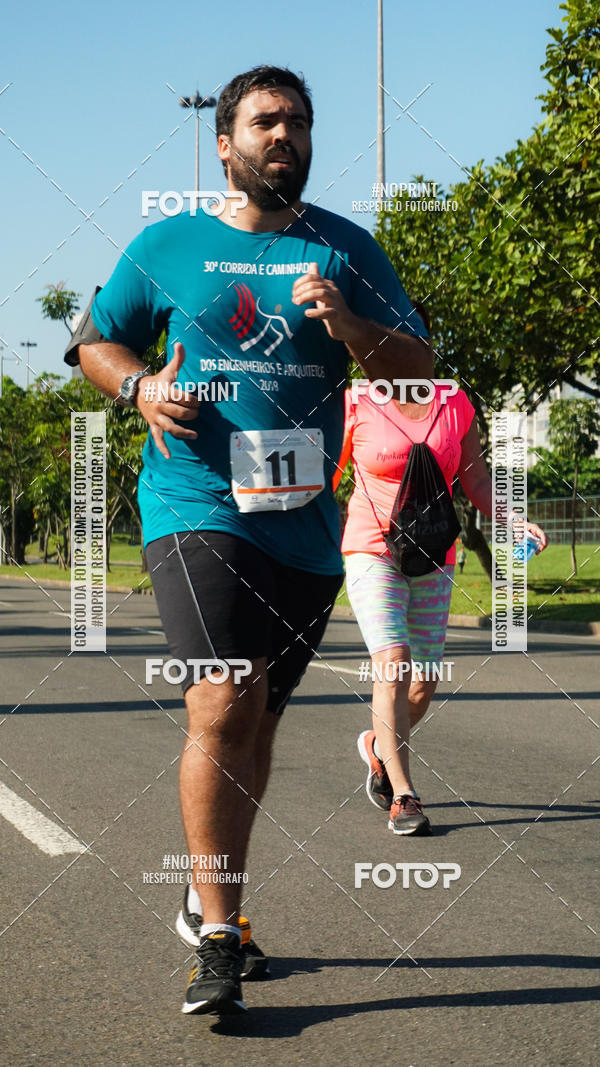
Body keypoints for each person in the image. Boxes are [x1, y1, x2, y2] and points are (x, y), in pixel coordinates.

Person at [65, 65, 432, 1015]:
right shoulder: (167, 244)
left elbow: (417, 365)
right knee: (225, 696)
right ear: (223, 144)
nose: (286, 136)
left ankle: (205, 888)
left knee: (256, 723)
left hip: (304, 527)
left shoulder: (346, 249)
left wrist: (349, 324)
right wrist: (139, 387)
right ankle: (222, 938)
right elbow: (94, 341)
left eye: (300, 123)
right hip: (195, 504)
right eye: (267, 122)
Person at [335, 314, 547, 837]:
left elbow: (473, 476)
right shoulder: (356, 401)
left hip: (433, 551)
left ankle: (376, 747)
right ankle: (404, 795)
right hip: (372, 549)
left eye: (407, 341)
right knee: (394, 662)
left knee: (424, 683)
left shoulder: (454, 403)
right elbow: (324, 475)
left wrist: (514, 517)